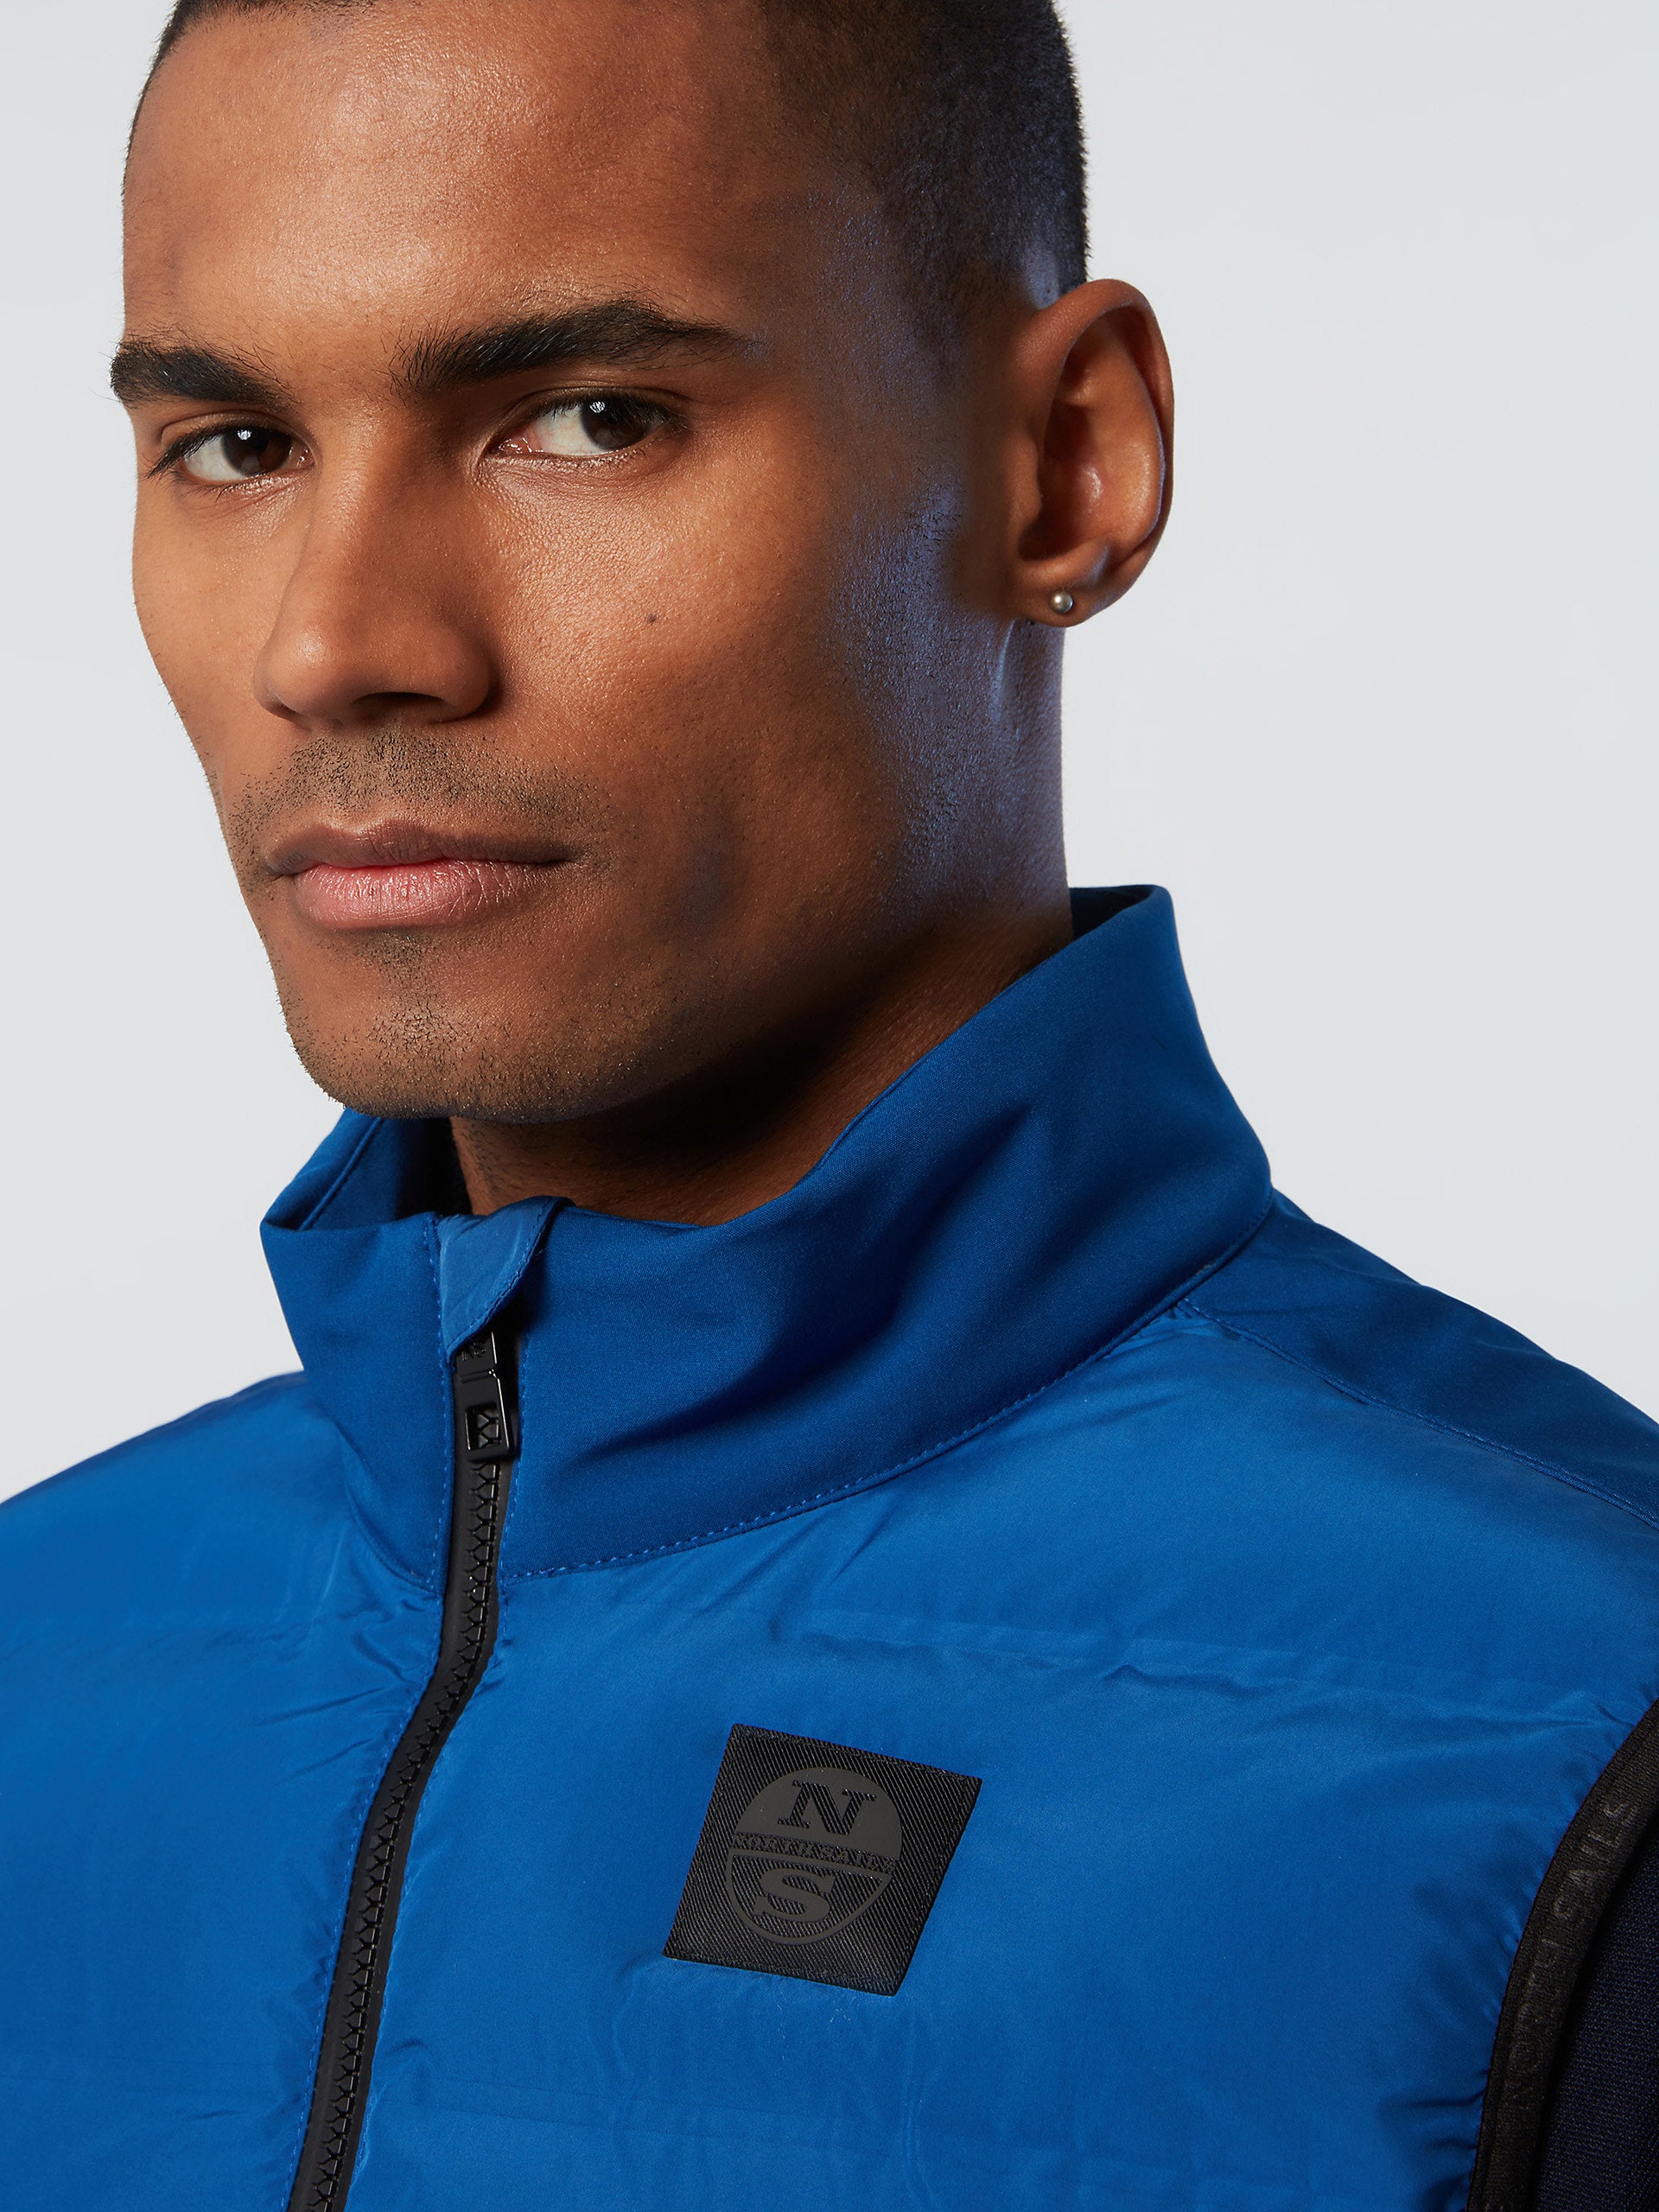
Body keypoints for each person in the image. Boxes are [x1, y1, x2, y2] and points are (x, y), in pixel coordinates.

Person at [2, 1, 1654, 2204]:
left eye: (589, 417)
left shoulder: (1581, 1739)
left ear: (1064, 462)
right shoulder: (35, 1655)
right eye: (234, 445)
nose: (338, 642)